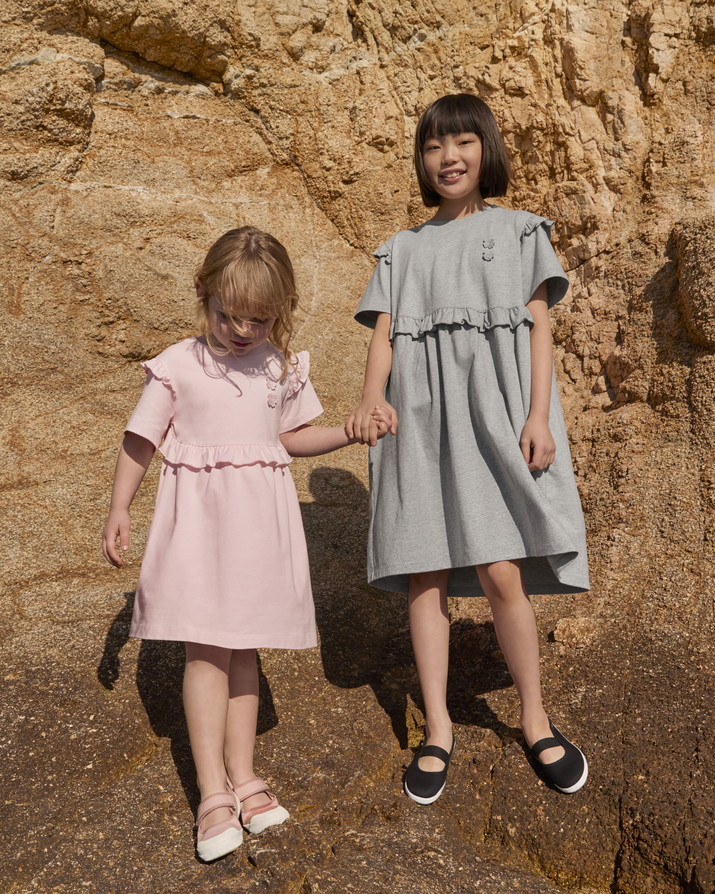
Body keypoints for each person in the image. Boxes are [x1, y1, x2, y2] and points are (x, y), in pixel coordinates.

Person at [102, 226, 390, 861]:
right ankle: (212, 791)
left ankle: (245, 773)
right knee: (206, 653)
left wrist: (348, 432)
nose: (241, 330)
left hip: (257, 531)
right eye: (228, 315)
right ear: (203, 292)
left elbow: (290, 438)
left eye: (258, 320)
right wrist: (120, 508)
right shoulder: (178, 365)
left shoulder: (277, 367)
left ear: (279, 312)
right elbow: (140, 440)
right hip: (199, 533)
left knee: (243, 651)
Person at [347, 94, 590, 803]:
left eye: (461, 142)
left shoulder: (520, 232)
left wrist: (538, 417)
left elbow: (538, 330)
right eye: (432, 146)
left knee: (499, 568)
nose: (447, 157)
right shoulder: (400, 249)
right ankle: (438, 729)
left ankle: (535, 720)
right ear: (421, 161)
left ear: (486, 149)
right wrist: (370, 400)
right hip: (418, 425)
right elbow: (384, 336)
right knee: (424, 575)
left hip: (494, 417)